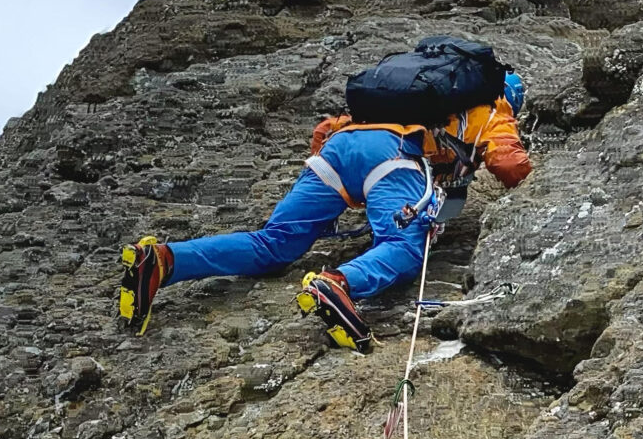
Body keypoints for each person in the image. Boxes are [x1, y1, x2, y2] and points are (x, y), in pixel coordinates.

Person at [117, 70, 532, 351]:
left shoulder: (406, 95)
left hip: (338, 147)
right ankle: (337, 284)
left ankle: (164, 260)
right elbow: (507, 163)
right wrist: (537, 190)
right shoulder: (493, 107)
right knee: (405, 248)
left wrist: (337, 192)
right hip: (391, 154)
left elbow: (323, 130)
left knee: (273, 244)